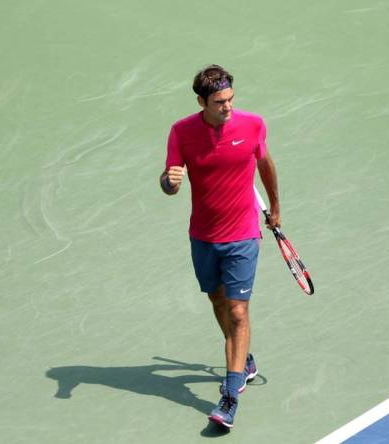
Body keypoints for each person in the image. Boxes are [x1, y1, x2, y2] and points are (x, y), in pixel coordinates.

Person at [159, 64, 281, 428]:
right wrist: (169, 180)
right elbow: (170, 184)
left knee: (239, 310)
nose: (228, 107)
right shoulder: (181, 132)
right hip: (204, 236)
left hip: (243, 234)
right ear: (202, 101)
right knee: (217, 300)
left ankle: (228, 397)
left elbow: (266, 164)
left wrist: (275, 207)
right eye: (219, 101)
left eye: (230, 99)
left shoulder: (253, 124)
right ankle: (242, 359)